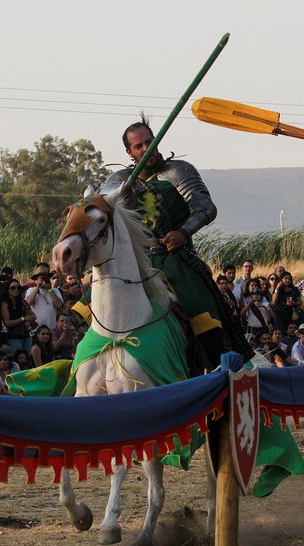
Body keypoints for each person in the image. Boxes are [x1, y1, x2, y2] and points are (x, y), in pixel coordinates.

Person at [99, 117, 250, 366]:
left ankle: (217, 367)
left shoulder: (178, 170)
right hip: (135, 260)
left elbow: (206, 208)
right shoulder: (118, 179)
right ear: (129, 152)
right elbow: (101, 205)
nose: (147, 148)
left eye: (150, 141)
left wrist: (183, 232)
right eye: (139, 146)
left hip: (174, 258)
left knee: (204, 311)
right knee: (91, 304)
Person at [25, 263, 62, 334]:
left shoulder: (54, 290)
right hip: (36, 330)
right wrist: (37, 287)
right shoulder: (31, 290)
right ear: (36, 279)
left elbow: (59, 305)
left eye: (45, 277)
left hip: (52, 330)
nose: (43, 280)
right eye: (41, 278)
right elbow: (28, 303)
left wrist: (49, 289)